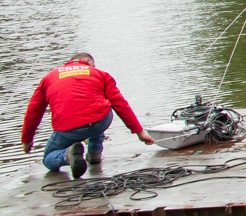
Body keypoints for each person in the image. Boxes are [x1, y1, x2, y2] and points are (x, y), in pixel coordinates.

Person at [21, 52, 155, 176]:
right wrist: (139, 132)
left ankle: (67, 155)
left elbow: (34, 110)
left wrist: (27, 139)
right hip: (100, 122)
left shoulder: (50, 77)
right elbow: (120, 104)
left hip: (68, 128)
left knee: (49, 158)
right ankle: (94, 153)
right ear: (87, 61)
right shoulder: (100, 74)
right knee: (99, 109)